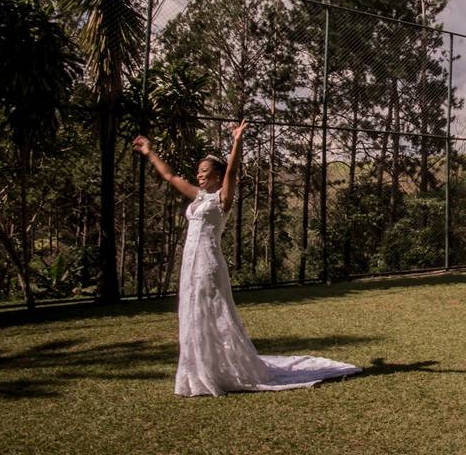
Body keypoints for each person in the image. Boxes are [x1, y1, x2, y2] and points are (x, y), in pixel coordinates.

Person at [133, 121, 360, 396]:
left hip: (207, 265)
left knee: (213, 313)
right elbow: (170, 177)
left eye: (205, 172)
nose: (199, 175)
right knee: (192, 313)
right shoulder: (198, 197)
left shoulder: (221, 199)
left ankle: (221, 370)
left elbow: (233, 170)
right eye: (198, 172)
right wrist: (149, 152)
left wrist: (237, 142)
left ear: (217, 176)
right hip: (189, 267)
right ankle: (199, 369)